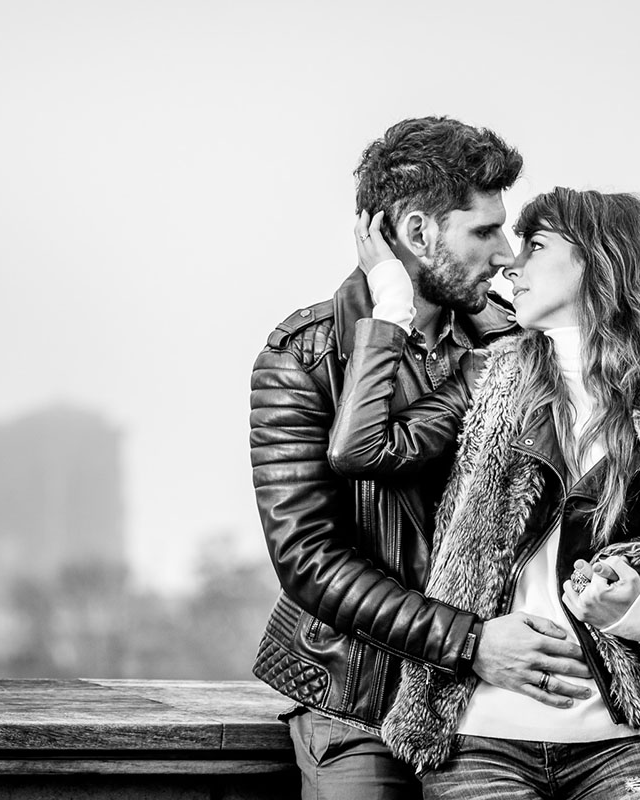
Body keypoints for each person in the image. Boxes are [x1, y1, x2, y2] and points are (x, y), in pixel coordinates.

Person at [328, 188, 640, 799]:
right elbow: (361, 449)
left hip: (620, 743)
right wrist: (392, 306)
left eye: (534, 247)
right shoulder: (486, 379)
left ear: (601, 262)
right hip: (478, 739)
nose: (511, 265)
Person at [250, 117, 594, 800]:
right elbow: (310, 560)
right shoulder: (303, 354)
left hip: (496, 707)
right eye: (484, 232)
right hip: (359, 696)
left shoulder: (515, 343)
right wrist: (471, 641)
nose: (506, 254)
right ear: (415, 233)